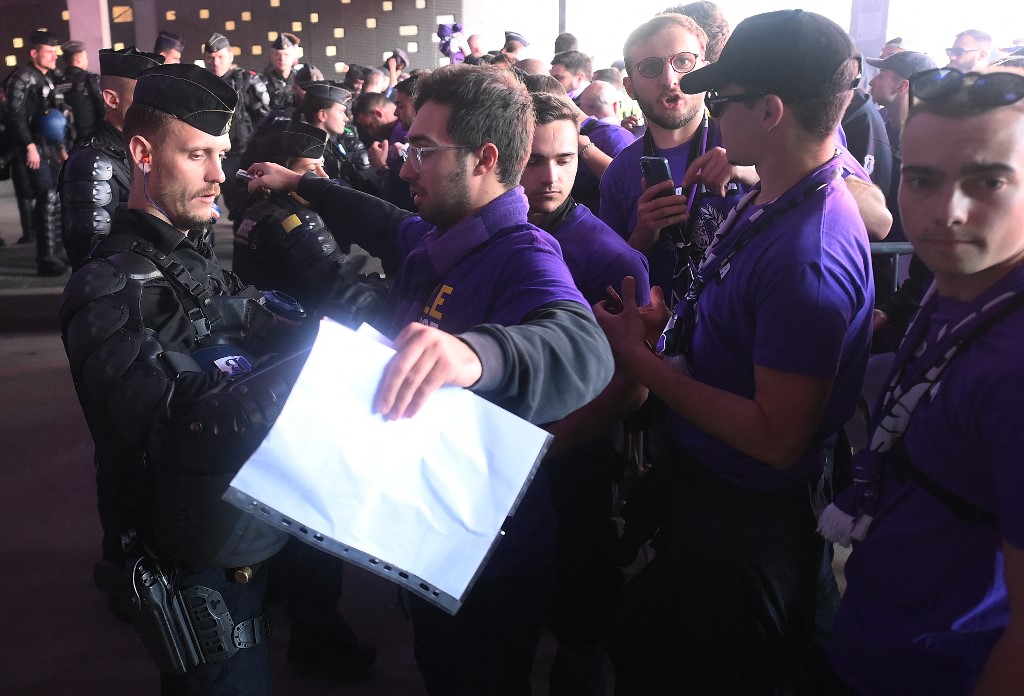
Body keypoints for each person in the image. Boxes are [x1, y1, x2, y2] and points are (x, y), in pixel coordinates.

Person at [246, 63, 615, 696]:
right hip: (430, 538)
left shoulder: (523, 253)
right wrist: (305, 184)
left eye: (423, 150)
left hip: (487, 562)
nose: (405, 167)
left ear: (484, 159)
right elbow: (383, 220)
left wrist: (478, 354)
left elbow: (583, 347)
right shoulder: (445, 233)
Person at [58, 62, 377, 695]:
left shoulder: (190, 261)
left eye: (222, 154)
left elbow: (275, 321)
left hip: (246, 538)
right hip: (193, 568)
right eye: (197, 154)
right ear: (143, 154)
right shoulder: (107, 287)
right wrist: (320, 368)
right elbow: (180, 426)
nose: (218, 175)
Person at [595, 10, 873, 693]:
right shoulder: (770, 196)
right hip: (715, 498)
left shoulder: (807, 253)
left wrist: (643, 364)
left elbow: (776, 437)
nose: (708, 113)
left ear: (770, 111)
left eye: (720, 101)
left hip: (748, 519)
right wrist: (670, 327)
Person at [826, 64, 1024, 696]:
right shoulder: (958, 288)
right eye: (922, 179)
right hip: (883, 639)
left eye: (988, 181)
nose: (947, 212)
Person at [522, 91, 650, 696]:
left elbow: (632, 386)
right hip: (501, 450)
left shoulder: (609, 256)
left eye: (565, 160)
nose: (550, 177)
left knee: (580, 604)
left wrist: (547, 447)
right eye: (534, 160)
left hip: (573, 459)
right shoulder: (480, 233)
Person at [599, 13, 752, 301]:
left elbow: (824, 192)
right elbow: (610, 281)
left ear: (705, 68)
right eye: (650, 67)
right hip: (663, 323)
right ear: (630, 88)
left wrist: (751, 172)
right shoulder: (619, 174)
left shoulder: (751, 142)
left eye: (683, 61)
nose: (669, 80)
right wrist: (643, 234)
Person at [61, 46, 163, 270]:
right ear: (112, 99)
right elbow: (92, 258)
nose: (155, 106)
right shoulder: (93, 163)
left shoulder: (144, 148)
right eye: (143, 97)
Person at [4, 29, 69, 275]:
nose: (54, 56)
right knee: (47, 196)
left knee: (57, 198)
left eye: (55, 51)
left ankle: (57, 252)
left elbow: (57, 116)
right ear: (34, 53)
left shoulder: (49, 78)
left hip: (51, 147)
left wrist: (61, 148)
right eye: (49, 51)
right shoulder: (21, 78)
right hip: (33, 147)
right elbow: (15, 116)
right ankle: (46, 259)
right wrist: (29, 146)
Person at [202, 32, 270, 231]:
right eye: (210, 58)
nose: (215, 62)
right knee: (202, 210)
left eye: (220, 56)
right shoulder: (198, 83)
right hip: (207, 155)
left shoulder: (247, 82)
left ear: (230, 57)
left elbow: (264, 120)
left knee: (243, 209)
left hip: (239, 155)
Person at [56, 40, 103, 141]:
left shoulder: (57, 82)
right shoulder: (90, 79)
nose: (87, 61)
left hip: (66, 138)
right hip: (91, 137)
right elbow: (103, 107)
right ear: (78, 60)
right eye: (85, 58)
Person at [261, 31, 302, 112]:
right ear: (271, 56)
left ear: (293, 56)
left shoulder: (301, 79)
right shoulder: (262, 81)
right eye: (277, 54)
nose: (282, 59)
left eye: (286, 54)